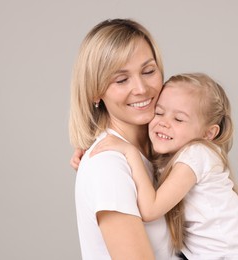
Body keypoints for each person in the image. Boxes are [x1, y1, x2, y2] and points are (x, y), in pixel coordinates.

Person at [92, 73, 238, 259]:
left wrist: (129, 152)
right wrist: (91, 146)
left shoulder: (197, 154)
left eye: (178, 119)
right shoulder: (176, 151)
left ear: (208, 133)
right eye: (159, 112)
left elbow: (150, 210)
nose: (164, 123)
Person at [69, 18, 179, 259]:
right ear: (95, 91)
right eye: (121, 80)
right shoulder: (108, 165)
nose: (141, 88)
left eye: (149, 71)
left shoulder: (164, 149)